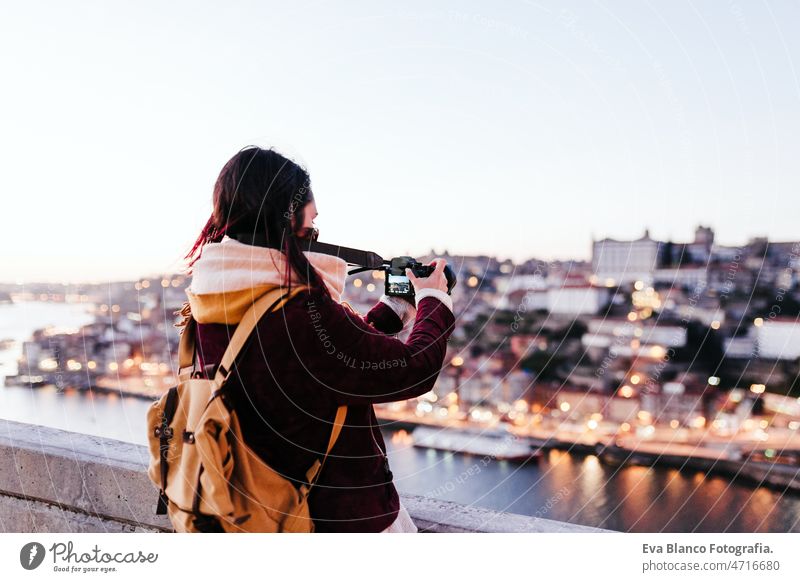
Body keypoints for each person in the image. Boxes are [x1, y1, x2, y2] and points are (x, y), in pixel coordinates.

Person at [181, 145, 456, 532]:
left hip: (253, 501)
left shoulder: (215, 296)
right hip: (336, 514)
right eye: (312, 227)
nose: (314, 237)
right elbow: (412, 371)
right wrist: (434, 300)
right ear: (288, 220)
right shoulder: (294, 308)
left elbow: (324, 363)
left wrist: (393, 309)